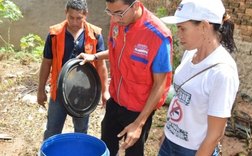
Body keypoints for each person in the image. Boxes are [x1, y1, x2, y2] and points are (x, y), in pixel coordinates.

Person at [77, 0, 173, 155]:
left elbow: (159, 85)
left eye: (118, 13)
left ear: (135, 5)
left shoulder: (158, 35)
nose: (114, 19)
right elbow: (118, 52)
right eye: (110, 12)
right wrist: (94, 56)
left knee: (133, 152)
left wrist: (138, 124)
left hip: (139, 109)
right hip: (115, 100)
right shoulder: (119, 20)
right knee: (106, 147)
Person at [158, 0, 239, 155]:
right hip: (170, 141)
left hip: (193, 150)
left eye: (182, 28)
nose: (178, 34)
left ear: (204, 26)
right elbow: (179, 100)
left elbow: (215, 135)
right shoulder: (190, 53)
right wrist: (166, 135)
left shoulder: (222, 72)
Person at [37, 0, 109, 141]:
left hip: (85, 92)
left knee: (81, 131)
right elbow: (46, 63)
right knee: (52, 130)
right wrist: (40, 90)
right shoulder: (54, 34)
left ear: (85, 15)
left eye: (79, 18)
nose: (75, 22)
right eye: (71, 17)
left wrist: (105, 91)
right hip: (59, 91)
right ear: (66, 14)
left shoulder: (95, 34)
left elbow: (101, 65)